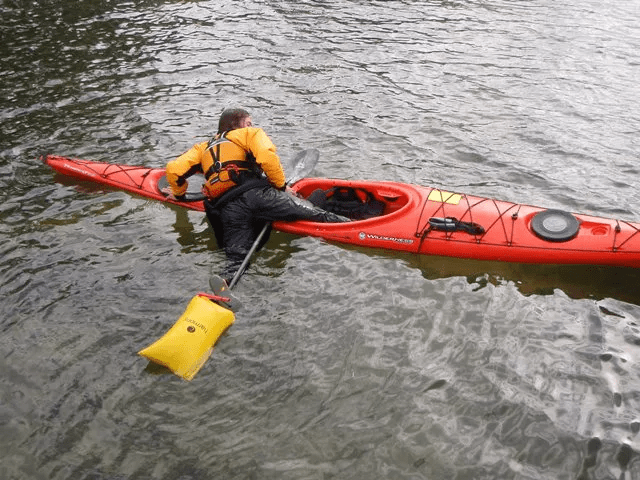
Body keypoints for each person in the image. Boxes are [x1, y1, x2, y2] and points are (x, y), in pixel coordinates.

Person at [163, 108, 350, 282]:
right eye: (248, 122)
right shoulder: (249, 134)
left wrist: (179, 195)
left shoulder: (202, 148)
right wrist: (281, 186)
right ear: (237, 125)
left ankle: (221, 290)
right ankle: (352, 226)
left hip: (229, 208)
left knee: (236, 259)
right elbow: (267, 158)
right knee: (319, 215)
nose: (251, 126)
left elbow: (173, 170)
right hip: (259, 196)